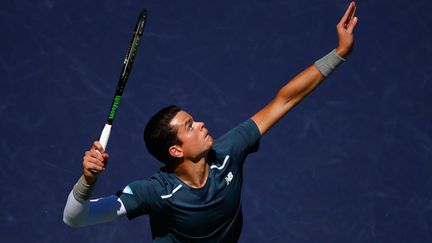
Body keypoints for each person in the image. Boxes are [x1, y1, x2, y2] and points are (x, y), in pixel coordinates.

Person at [63, 2, 358, 242]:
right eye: (190, 126)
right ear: (176, 151)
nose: (202, 124)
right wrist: (88, 181)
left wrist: (339, 54)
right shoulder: (156, 192)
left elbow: (284, 100)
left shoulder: (227, 152)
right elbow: (75, 218)